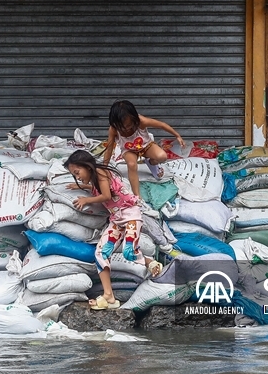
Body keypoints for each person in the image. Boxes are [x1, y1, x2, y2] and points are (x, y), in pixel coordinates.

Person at [64, 150, 163, 311]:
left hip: (131, 215)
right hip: (116, 220)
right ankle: (108, 295)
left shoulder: (101, 172)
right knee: (101, 253)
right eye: (74, 175)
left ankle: (150, 262)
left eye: (77, 172)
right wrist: (82, 186)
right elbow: (100, 189)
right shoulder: (96, 178)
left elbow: (106, 195)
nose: (78, 176)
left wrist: (86, 199)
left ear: (87, 166)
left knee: (129, 251)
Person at [103, 100, 183, 199]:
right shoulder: (113, 129)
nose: (126, 129)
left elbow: (161, 125)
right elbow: (109, 148)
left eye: (129, 125)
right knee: (132, 165)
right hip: (129, 150)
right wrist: (104, 167)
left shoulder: (141, 121)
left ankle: (151, 162)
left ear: (134, 119)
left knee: (162, 156)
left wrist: (177, 136)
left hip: (146, 146)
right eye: (122, 127)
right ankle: (137, 196)